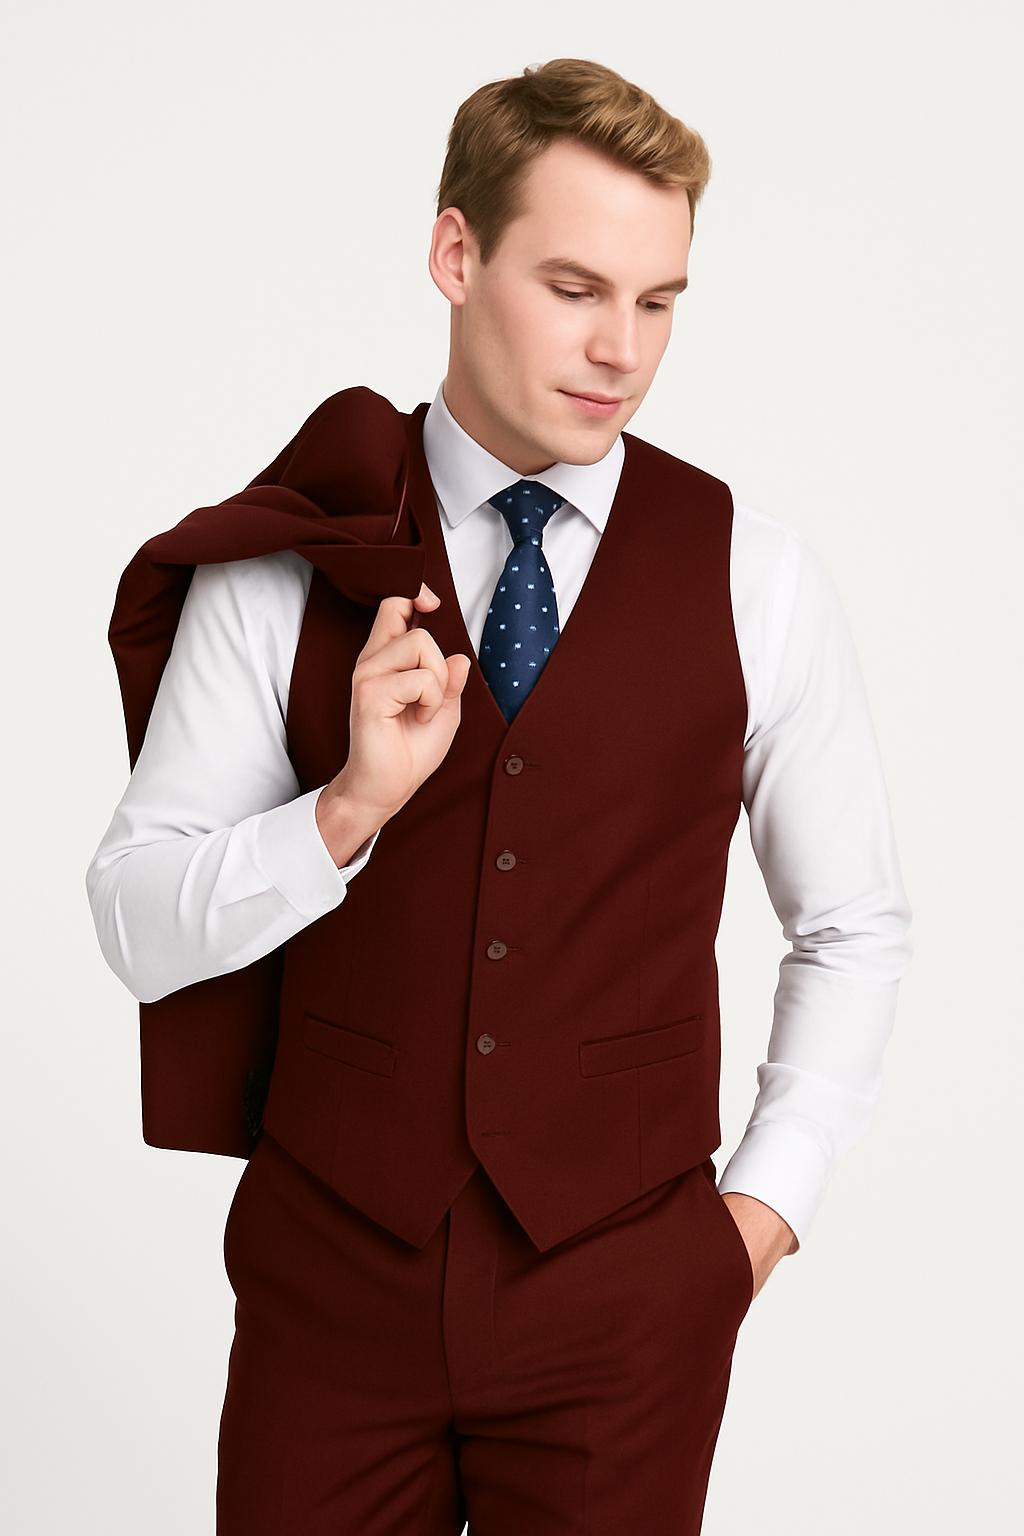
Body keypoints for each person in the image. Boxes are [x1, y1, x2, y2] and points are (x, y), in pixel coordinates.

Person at [88, 57, 910, 1535]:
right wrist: (344, 808)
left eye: (658, 302)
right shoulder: (287, 564)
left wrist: (757, 1222)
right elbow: (137, 924)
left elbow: (853, 926)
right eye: (575, 288)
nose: (621, 351)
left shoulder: (757, 576)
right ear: (455, 255)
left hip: (625, 1300)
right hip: (331, 1291)